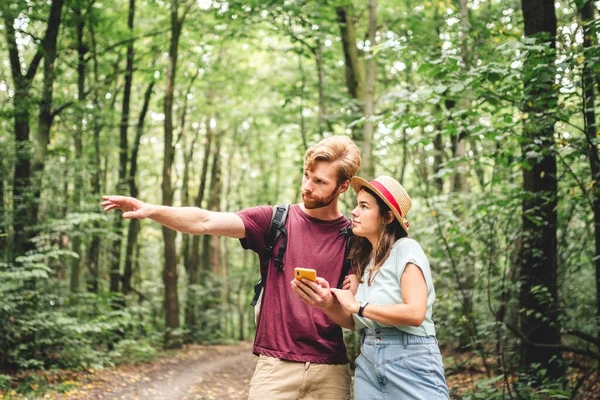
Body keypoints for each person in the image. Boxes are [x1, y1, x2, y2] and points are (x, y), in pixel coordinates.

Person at [102, 135, 361, 400]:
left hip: (331, 369)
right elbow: (203, 221)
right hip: (275, 368)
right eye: (306, 175)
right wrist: (151, 210)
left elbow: (355, 319)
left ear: (343, 187)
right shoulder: (275, 220)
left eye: (319, 182)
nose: (306, 186)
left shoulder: (356, 238)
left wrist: (327, 303)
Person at [291, 175, 450, 399]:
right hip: (368, 361)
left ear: (386, 217)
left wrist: (359, 305)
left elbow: (415, 313)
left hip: (411, 359)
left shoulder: (406, 248)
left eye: (364, 206)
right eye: (357, 205)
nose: (354, 211)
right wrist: (327, 302)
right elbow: (354, 322)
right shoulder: (367, 264)